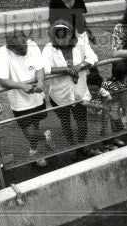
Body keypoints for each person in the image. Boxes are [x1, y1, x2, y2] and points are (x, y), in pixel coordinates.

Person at [41, 21, 98, 155]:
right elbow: (45, 68)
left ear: (71, 35)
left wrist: (79, 66)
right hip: (60, 95)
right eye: (58, 36)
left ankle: (81, 144)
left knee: (82, 122)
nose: (62, 39)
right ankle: (72, 146)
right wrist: (66, 70)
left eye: (65, 36)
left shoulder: (80, 44)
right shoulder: (49, 48)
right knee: (65, 122)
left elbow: (93, 57)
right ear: (54, 37)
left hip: (79, 92)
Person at [0, 29, 48, 167]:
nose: (24, 50)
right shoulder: (2, 53)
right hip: (19, 101)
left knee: (35, 125)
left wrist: (40, 82)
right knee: (27, 129)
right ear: (10, 48)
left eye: (25, 45)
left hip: (36, 97)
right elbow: (2, 80)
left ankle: (34, 151)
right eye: (19, 49)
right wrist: (22, 86)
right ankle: (44, 137)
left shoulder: (32, 45)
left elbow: (39, 68)